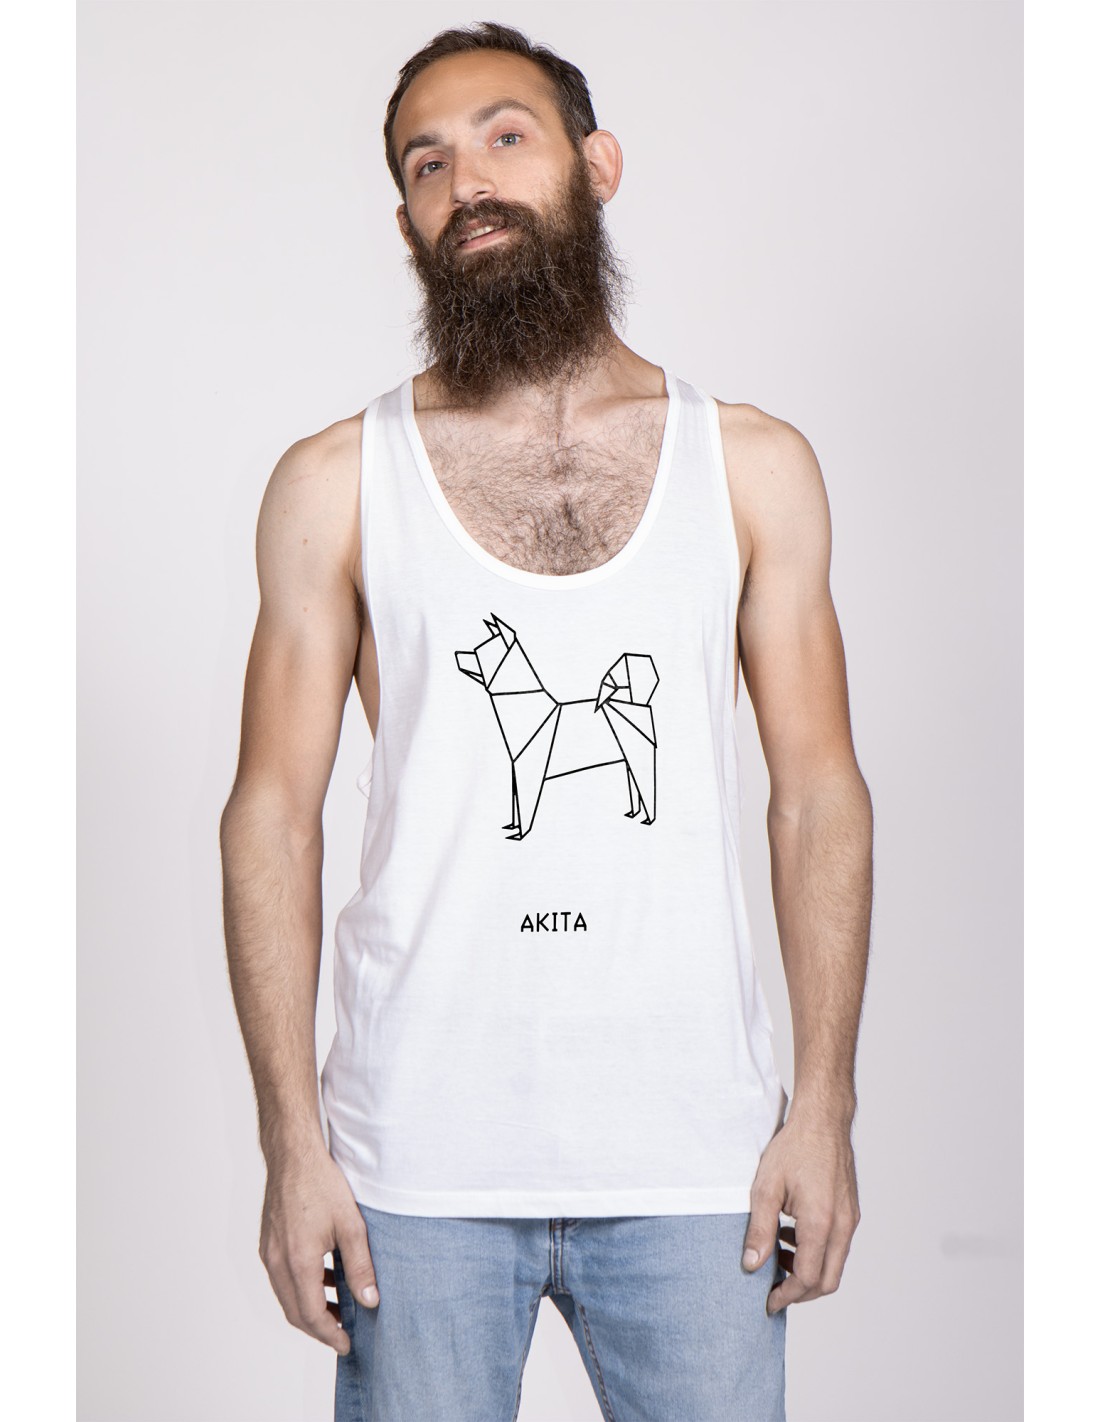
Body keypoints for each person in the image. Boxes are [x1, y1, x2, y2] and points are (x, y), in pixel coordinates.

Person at [220, 20, 872, 1422]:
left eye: (506, 138)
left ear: (597, 164)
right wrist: (289, 1143)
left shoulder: (752, 465)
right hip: (412, 1172)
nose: (469, 182)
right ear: (406, 220)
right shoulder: (335, 481)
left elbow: (817, 794)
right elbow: (271, 815)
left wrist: (824, 1104)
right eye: (428, 163)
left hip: (699, 1162)